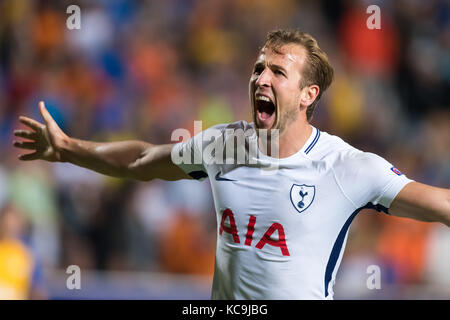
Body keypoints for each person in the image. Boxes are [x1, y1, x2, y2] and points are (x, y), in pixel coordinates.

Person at [13, 29, 449, 299]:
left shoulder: (348, 168)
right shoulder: (225, 146)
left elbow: (440, 204)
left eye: (278, 72)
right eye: (259, 68)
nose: (261, 78)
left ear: (307, 95)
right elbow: (144, 159)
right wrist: (69, 149)